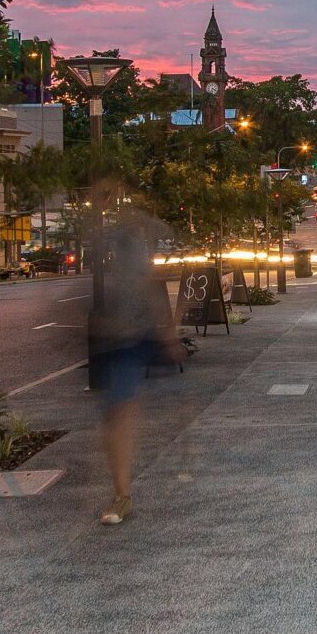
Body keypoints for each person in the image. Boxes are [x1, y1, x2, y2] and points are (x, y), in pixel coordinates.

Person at [86, 187, 180, 526]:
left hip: (127, 337)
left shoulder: (134, 244)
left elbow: (149, 287)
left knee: (120, 412)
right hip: (104, 336)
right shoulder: (104, 240)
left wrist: (166, 333)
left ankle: (121, 495)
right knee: (113, 415)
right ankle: (120, 492)